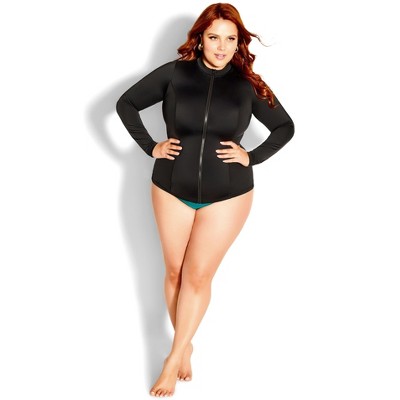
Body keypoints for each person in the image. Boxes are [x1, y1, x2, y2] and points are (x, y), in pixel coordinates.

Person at [116, 2, 294, 396]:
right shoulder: (174, 74)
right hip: (170, 186)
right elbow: (125, 104)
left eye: (230, 39)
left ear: (238, 43)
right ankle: (186, 344)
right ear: (199, 39)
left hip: (228, 193)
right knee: (175, 273)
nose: (222, 47)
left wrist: (252, 156)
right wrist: (150, 146)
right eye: (214, 37)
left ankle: (173, 357)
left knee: (197, 276)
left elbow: (284, 126)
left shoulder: (248, 85)